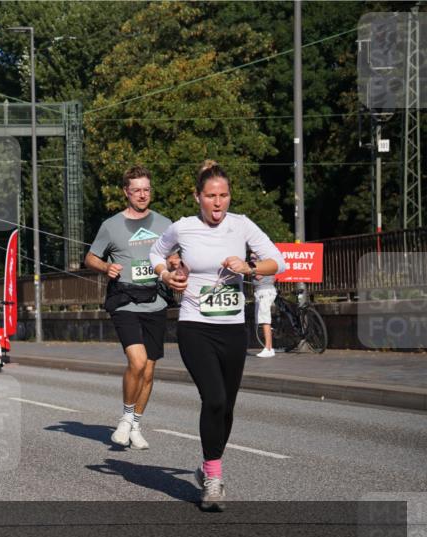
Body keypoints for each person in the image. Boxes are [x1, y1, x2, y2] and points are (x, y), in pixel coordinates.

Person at [151, 160, 285, 511]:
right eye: (211, 196)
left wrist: (249, 267)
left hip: (233, 329)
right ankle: (213, 479)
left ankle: (207, 464)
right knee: (212, 398)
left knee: (226, 406)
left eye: (223, 195)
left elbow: (278, 261)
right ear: (198, 196)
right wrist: (166, 275)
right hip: (195, 326)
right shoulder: (183, 227)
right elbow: (156, 253)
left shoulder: (242, 225)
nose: (218, 202)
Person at [84, 166, 174, 450]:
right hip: (124, 301)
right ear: (126, 192)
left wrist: (175, 264)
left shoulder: (165, 224)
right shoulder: (111, 225)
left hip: (156, 301)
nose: (142, 195)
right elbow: (90, 258)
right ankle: (125, 417)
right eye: (136, 190)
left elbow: (175, 256)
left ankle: (135, 424)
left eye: (146, 190)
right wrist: (106, 267)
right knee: (137, 361)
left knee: (148, 371)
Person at [252, 251, 277, 358]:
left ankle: (268, 348)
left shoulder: (259, 258)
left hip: (264, 291)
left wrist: (247, 269)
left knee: (265, 319)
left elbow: (257, 275)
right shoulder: (268, 259)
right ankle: (269, 347)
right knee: (263, 319)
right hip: (263, 290)